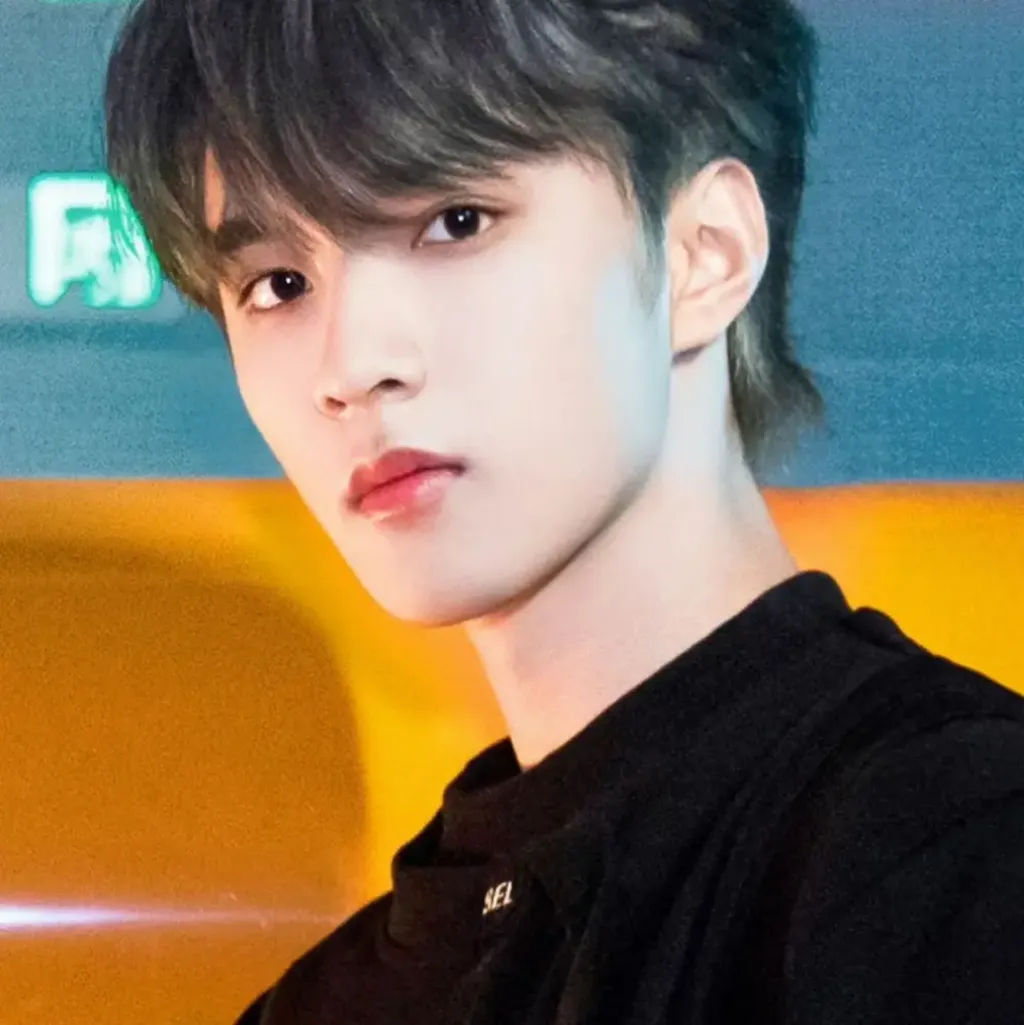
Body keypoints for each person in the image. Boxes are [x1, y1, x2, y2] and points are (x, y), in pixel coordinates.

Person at [103, 1, 1024, 1022]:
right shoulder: (332, 997)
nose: (352, 365)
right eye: (278, 284)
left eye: (455, 221)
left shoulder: (955, 848)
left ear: (704, 253)